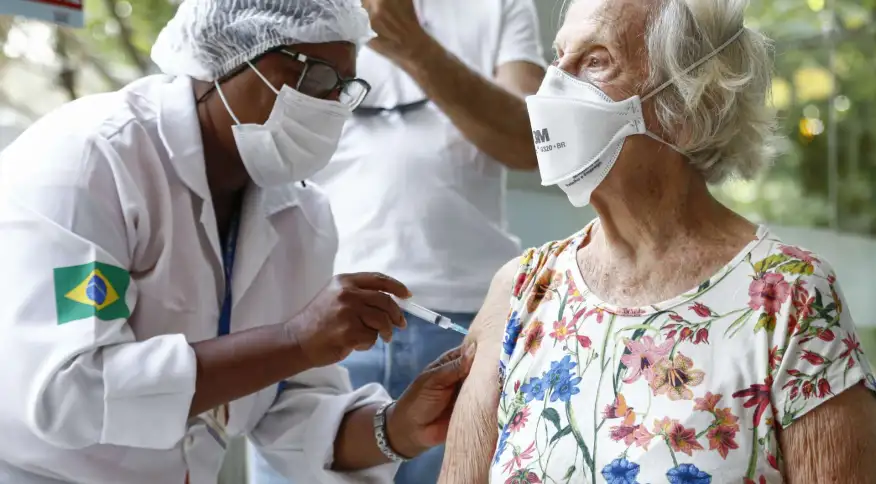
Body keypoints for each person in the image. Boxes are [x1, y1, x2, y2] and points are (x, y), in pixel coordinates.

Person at [0, 1, 475, 483]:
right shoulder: (93, 162)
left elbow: (289, 408)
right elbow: (70, 391)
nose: (329, 105)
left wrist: (398, 428)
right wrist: (294, 340)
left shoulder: (301, 214)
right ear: (226, 58)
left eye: (342, 87)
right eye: (312, 76)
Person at [438, 0, 876, 482]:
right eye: (558, 57)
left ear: (688, 106)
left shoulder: (791, 299)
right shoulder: (520, 292)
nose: (551, 88)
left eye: (595, 61)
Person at [250, 0, 546, 483]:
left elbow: (535, 144)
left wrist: (413, 45)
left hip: (465, 330)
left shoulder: (500, 6)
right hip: (316, 319)